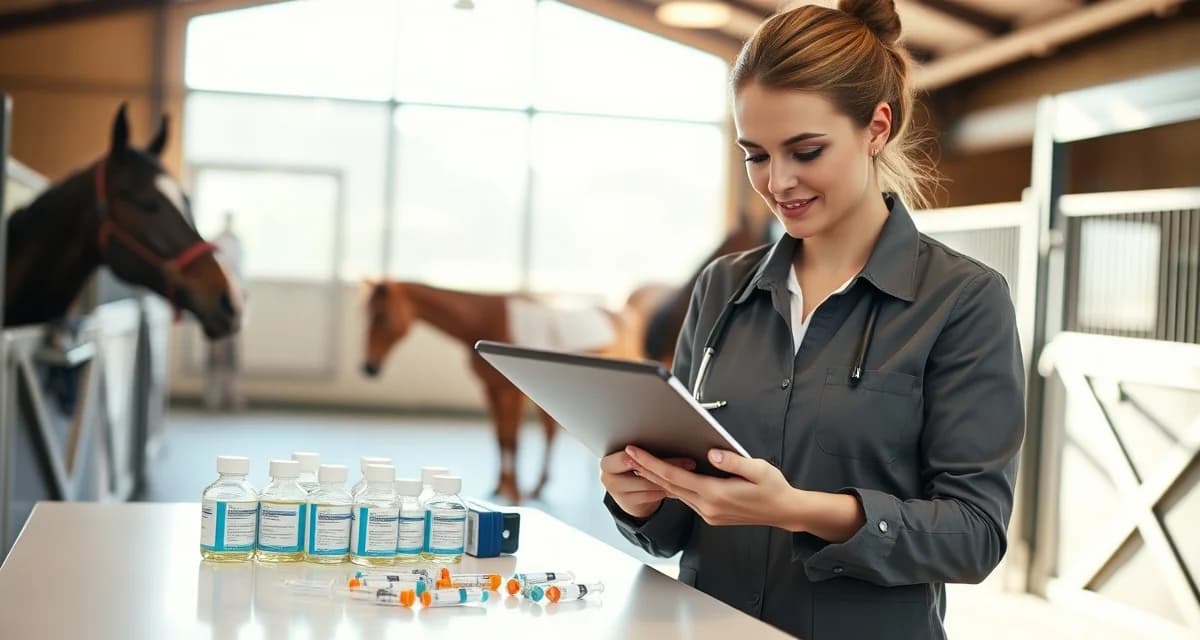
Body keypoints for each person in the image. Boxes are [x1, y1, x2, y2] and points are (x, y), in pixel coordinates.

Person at [600, 2, 1025, 638]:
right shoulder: (722, 288)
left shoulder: (963, 300)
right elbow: (674, 529)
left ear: (876, 127)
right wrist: (640, 498)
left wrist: (798, 510)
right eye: (755, 155)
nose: (778, 182)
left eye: (805, 151)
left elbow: (975, 535)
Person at [205, 210, 245, 411]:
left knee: (232, 352)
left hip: (234, 299)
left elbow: (240, 273)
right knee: (215, 350)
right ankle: (212, 396)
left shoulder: (237, 242)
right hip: (216, 299)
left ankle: (232, 394)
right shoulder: (215, 242)